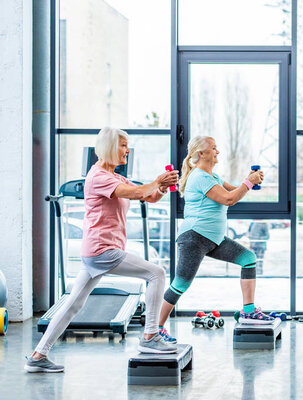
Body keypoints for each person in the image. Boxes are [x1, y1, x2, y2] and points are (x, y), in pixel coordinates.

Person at [25, 127, 179, 373]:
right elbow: (140, 191)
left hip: (96, 252)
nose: (127, 150)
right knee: (156, 273)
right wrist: (156, 182)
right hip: (103, 250)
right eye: (123, 145)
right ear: (108, 147)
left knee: (73, 304)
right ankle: (150, 336)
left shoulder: (116, 177)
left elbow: (147, 196)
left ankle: (38, 354)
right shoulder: (97, 176)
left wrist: (161, 187)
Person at [157, 136, 274, 343]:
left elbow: (234, 191)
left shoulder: (213, 177)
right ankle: (155, 329)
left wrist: (249, 180)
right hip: (194, 238)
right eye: (213, 148)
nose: (217, 151)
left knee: (248, 258)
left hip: (213, 239)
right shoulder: (199, 177)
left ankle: (248, 311)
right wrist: (249, 182)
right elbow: (229, 200)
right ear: (201, 154)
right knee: (180, 285)